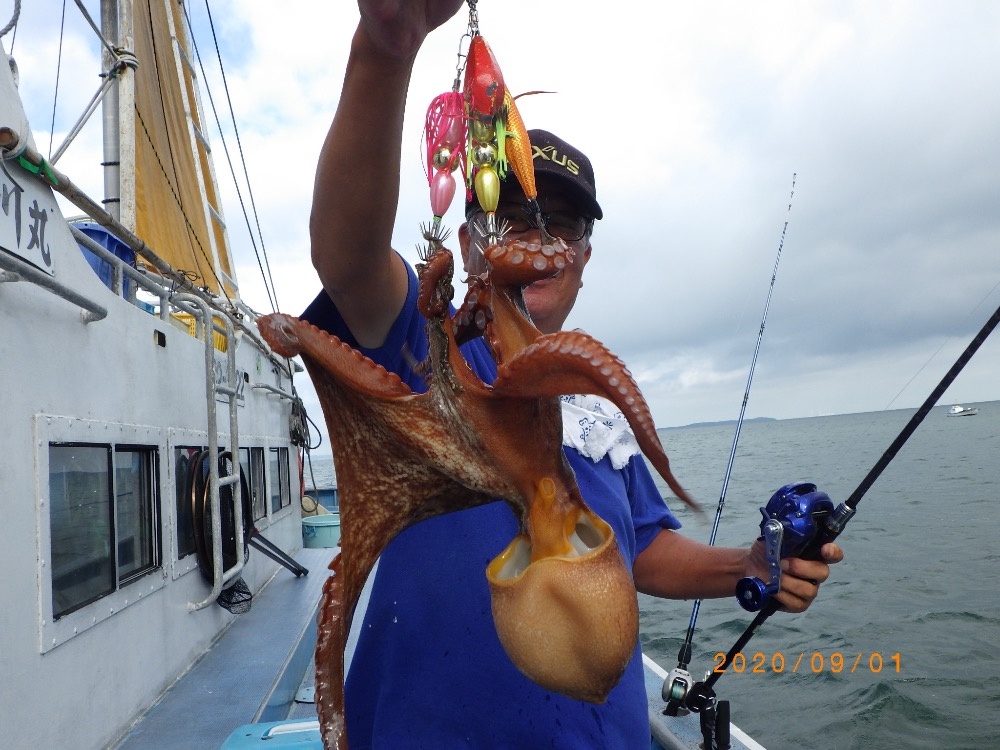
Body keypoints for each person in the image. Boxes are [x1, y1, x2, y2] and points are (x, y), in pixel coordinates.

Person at [303, 2, 844, 747]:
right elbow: (349, 255)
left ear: (585, 256)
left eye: (564, 225)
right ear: (466, 243)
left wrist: (751, 565)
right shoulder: (422, 350)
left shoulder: (597, 408)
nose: (540, 242)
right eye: (513, 219)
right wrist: (383, 50)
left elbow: (643, 548)